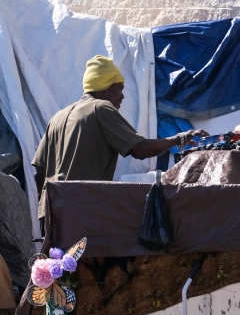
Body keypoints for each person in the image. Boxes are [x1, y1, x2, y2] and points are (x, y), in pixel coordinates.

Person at [32, 55, 207, 222]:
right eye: (119, 88)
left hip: (50, 211)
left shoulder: (57, 118)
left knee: (56, 255)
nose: (122, 96)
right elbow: (140, 149)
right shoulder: (101, 108)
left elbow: (38, 172)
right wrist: (179, 138)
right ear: (105, 87)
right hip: (81, 207)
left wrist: (46, 206)